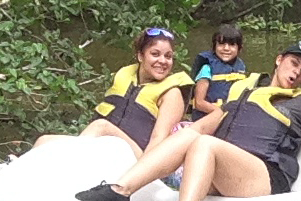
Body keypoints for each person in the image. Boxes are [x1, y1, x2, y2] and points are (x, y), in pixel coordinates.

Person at [73, 42, 301, 201]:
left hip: (265, 177)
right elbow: (202, 126)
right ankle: (120, 190)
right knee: (192, 135)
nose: (297, 73)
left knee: (205, 144)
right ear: (279, 60)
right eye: (294, 63)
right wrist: (168, 142)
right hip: (227, 170)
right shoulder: (244, 90)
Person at [34, 27, 192, 155]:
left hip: (137, 157)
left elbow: (158, 144)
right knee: (44, 141)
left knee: (101, 126)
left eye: (168, 56)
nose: (163, 61)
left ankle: (74, 162)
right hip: (106, 146)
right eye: (155, 54)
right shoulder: (125, 75)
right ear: (140, 56)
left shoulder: (172, 94)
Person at [190, 23, 248, 121]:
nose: (226, 48)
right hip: (208, 118)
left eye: (232, 45)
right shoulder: (207, 68)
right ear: (214, 46)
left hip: (229, 117)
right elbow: (199, 103)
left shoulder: (240, 67)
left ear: (239, 48)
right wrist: (223, 113)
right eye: (221, 44)